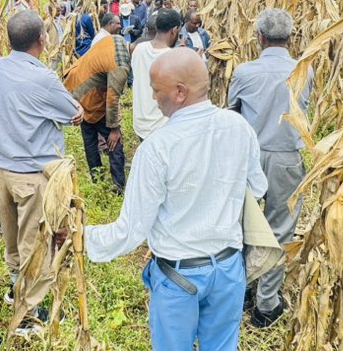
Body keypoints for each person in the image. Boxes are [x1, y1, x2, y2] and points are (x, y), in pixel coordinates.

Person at [85, 48, 267, 351]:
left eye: (157, 90)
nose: (153, 97)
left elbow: (131, 231)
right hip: (228, 270)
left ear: (180, 92)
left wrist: (81, 236)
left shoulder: (157, 147)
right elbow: (257, 188)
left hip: (179, 277)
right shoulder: (239, 127)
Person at [0, 11, 83, 334]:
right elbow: (73, 113)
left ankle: (15, 287)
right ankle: (31, 312)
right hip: (31, 174)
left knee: (12, 238)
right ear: (42, 39)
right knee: (35, 243)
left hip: (2, 169)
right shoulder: (43, 78)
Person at [227, 8, 314, 328]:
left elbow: (232, 114)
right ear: (290, 38)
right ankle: (266, 305)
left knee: (243, 226)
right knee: (279, 229)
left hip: (248, 158)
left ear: (260, 37)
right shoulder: (305, 70)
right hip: (286, 159)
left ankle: (242, 289)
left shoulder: (244, 72)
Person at [63, 19, 131, 192]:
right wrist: (114, 128)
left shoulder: (116, 40)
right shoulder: (121, 65)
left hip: (75, 91)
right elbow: (112, 98)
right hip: (88, 97)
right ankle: (118, 185)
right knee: (114, 142)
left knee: (90, 141)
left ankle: (97, 179)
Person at [131, 9, 181, 142]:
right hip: (162, 126)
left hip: (140, 123)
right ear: (174, 30)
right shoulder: (172, 57)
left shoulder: (139, 49)